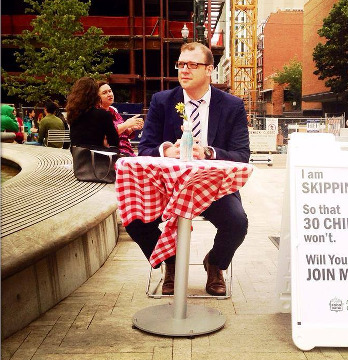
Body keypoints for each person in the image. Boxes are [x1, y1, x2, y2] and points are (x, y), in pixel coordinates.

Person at [130, 42, 250, 296]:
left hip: (212, 188)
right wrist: (166, 151)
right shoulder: (162, 101)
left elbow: (242, 156)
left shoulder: (232, 106)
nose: (184, 70)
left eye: (192, 65)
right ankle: (170, 261)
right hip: (167, 189)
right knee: (134, 220)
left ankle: (215, 263)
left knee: (237, 222)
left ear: (209, 70)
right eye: (181, 64)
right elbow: (145, 149)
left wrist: (209, 153)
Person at [66, 77, 119, 149]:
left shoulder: (73, 115)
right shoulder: (104, 115)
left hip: (78, 157)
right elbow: (114, 142)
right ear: (95, 95)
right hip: (96, 157)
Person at [97, 81, 144, 156]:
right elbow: (106, 135)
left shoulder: (114, 111)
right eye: (104, 93)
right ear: (97, 97)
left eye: (110, 91)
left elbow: (122, 133)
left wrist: (132, 128)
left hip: (127, 151)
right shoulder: (97, 113)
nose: (109, 94)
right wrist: (127, 124)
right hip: (115, 153)